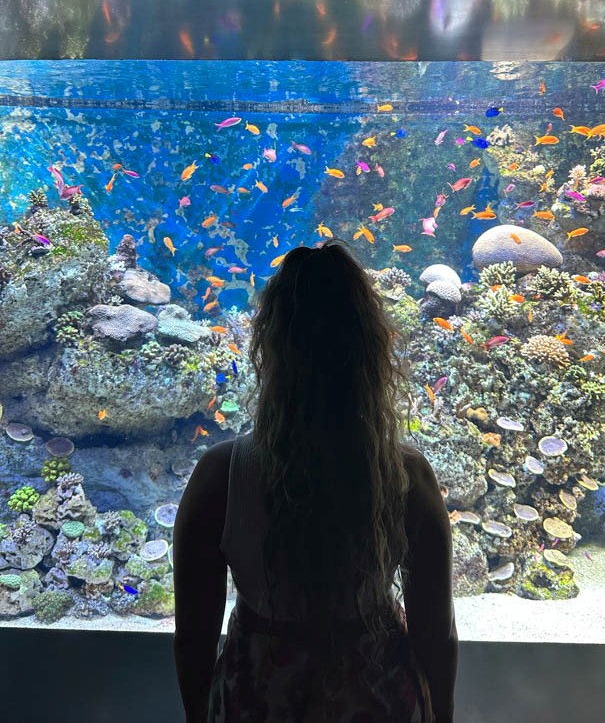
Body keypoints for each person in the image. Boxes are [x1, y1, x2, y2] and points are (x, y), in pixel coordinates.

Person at [173, 239, 458, 723]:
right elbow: (436, 634)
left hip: (257, 699)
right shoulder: (407, 476)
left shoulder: (219, 476)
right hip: (379, 697)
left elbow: (194, 639)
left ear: (270, 345)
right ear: (369, 348)